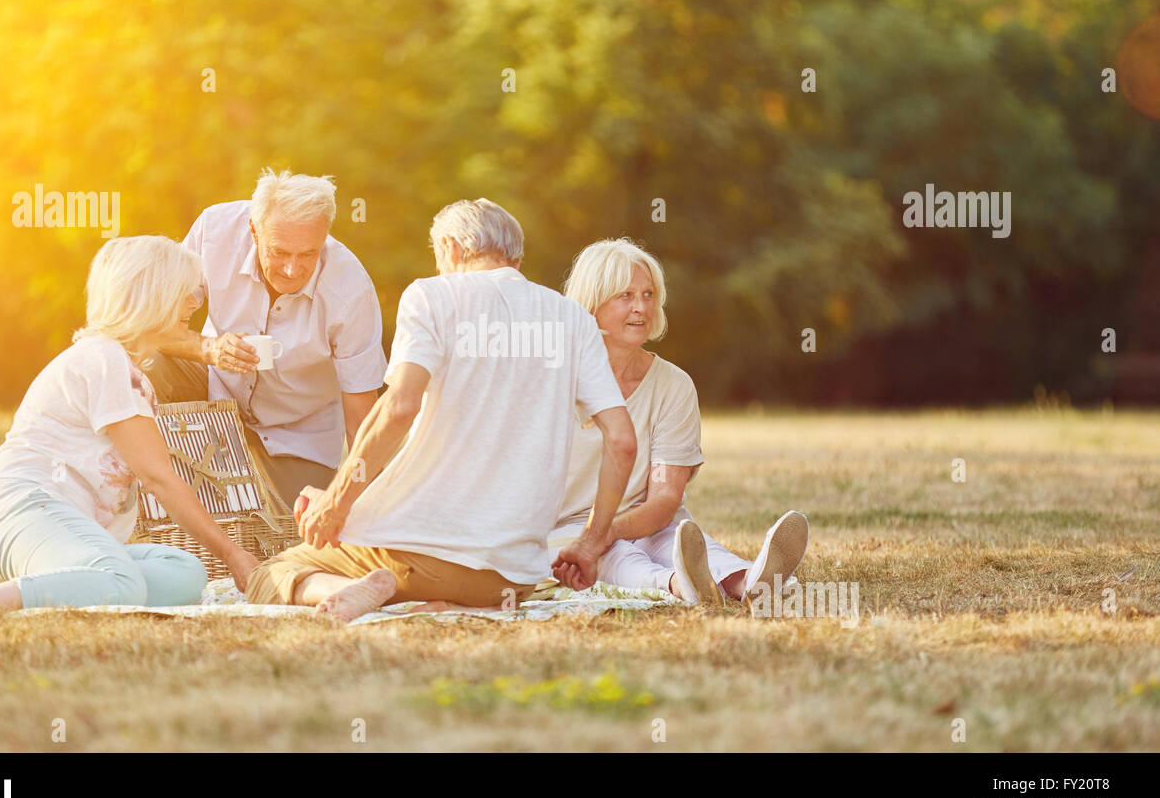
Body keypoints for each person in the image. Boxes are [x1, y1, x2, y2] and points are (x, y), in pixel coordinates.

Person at [244, 199, 639, 622]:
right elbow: (622, 440)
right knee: (440, 580)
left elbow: (399, 408)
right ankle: (431, 606)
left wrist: (337, 503)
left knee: (270, 573)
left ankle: (361, 589)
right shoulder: (572, 318)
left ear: (449, 247)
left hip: (412, 558)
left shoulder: (431, 296)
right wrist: (592, 541)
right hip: (509, 579)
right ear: (515, 256)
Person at [0, 236, 261, 616]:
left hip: (42, 537)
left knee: (185, 573)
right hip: (20, 516)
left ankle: (6, 591)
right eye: (186, 292)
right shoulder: (105, 359)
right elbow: (158, 478)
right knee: (122, 582)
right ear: (153, 295)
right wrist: (233, 554)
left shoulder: (120, 365)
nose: (195, 303)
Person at [547, 238, 809, 605]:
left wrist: (607, 530)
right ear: (592, 303)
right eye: (625, 295)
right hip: (569, 527)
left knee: (678, 541)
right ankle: (676, 584)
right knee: (618, 557)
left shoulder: (674, 385)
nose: (641, 307)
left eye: (648, 294)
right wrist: (594, 537)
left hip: (648, 521)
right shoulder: (552, 378)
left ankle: (749, 580)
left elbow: (665, 496)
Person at [147, 169, 387, 506]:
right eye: (279, 252)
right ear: (253, 230)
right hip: (213, 388)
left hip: (299, 432)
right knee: (144, 362)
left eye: (308, 254)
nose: (292, 270)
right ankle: (142, 490)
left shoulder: (351, 291)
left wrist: (363, 506)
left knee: (290, 534)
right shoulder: (214, 231)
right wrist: (209, 349)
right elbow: (150, 322)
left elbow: (363, 418)